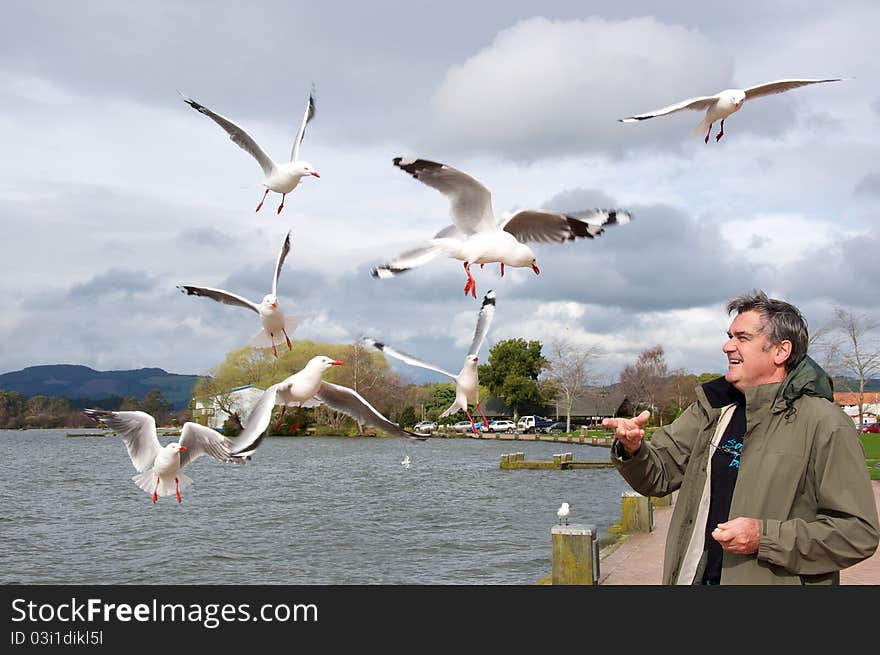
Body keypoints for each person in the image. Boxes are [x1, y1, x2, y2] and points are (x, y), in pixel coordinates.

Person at [604, 290, 879, 585]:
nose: (727, 346)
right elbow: (657, 475)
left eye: (742, 338)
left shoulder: (825, 422)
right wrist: (632, 449)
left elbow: (857, 532)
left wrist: (765, 538)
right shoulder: (712, 408)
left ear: (780, 351)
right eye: (729, 336)